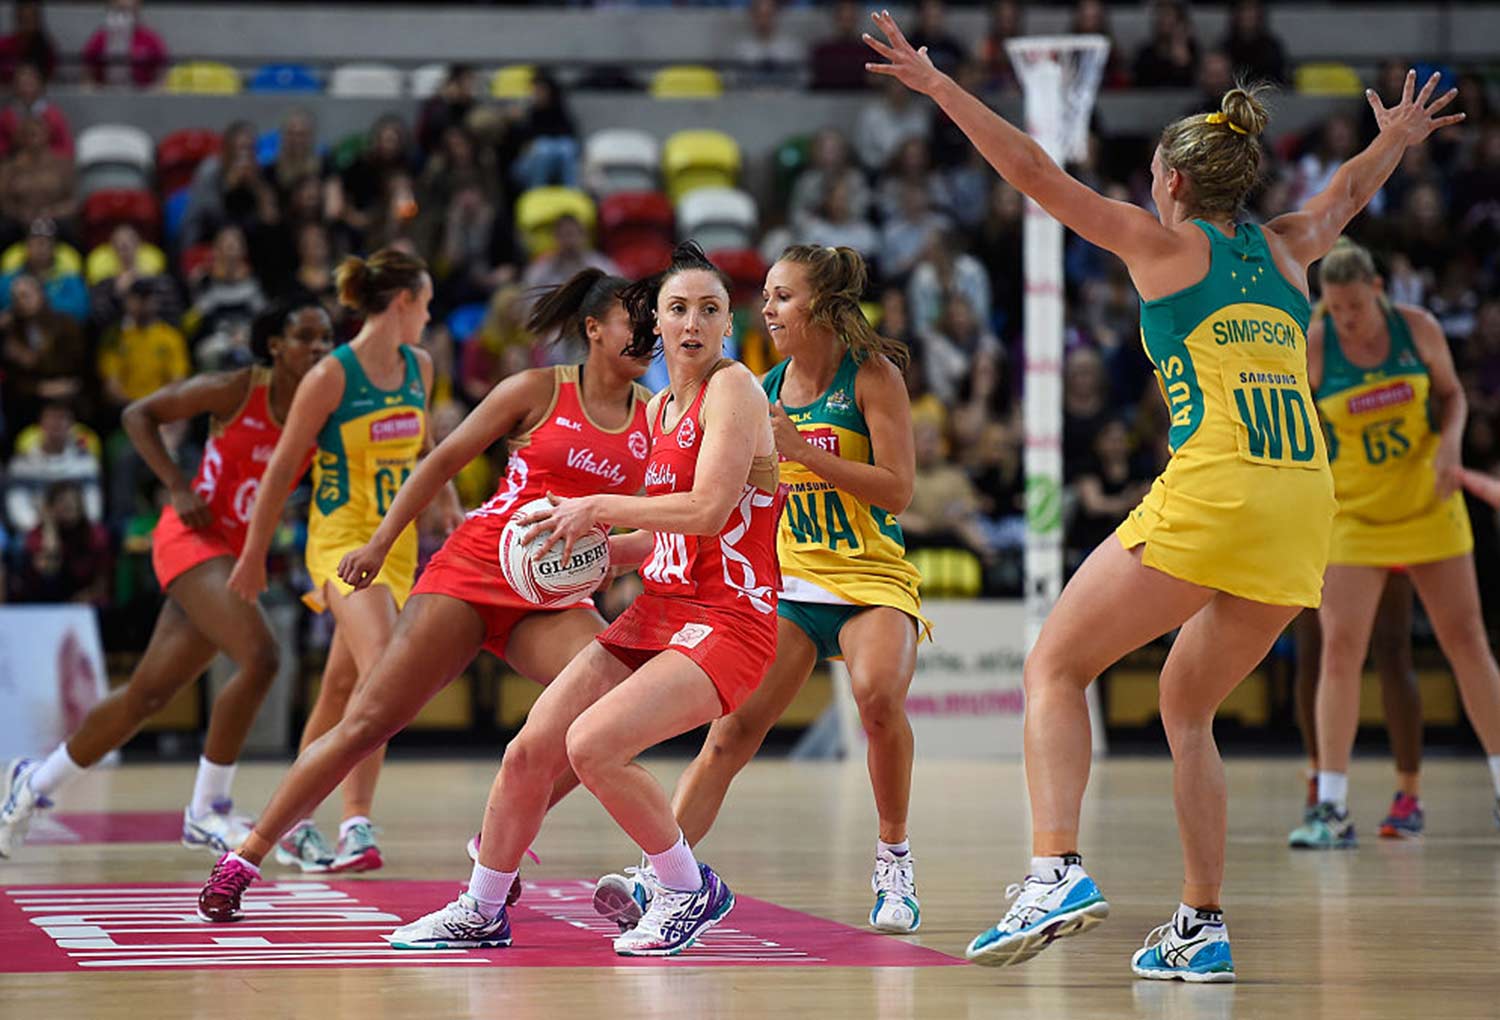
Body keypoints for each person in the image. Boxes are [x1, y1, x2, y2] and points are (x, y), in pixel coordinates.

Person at [865, 10, 1463, 981]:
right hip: (1306, 503)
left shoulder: (1159, 246)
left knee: (1054, 668)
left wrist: (940, 88)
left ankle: (1054, 869)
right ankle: (1200, 925)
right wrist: (1393, 139)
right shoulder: (1288, 248)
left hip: (1220, 486)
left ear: (1174, 182)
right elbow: (1348, 189)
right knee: (1188, 708)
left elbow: (1035, 174)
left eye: (1153, 173)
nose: (1148, 185)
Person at [193, 268, 654, 920]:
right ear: (594, 329)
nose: (649, 334)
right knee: (366, 722)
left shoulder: (656, 420)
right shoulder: (536, 390)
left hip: (551, 598)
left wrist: (618, 557)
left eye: (652, 323)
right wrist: (380, 544)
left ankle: (494, 843)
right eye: (635, 320)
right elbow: (439, 460)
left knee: (604, 719)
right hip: (474, 571)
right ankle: (246, 854)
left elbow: (662, 514)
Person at [383, 242, 779, 957]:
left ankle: (689, 889)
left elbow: (711, 511)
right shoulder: (660, 411)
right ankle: (481, 907)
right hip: (661, 607)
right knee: (529, 751)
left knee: (593, 745)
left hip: (728, 619)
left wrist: (596, 505)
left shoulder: (735, 389)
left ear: (727, 325)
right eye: (679, 308)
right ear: (656, 323)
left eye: (710, 309)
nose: (694, 322)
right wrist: (587, 554)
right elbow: (662, 539)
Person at [595, 245, 927, 935]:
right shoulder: (758, 389)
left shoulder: (872, 377)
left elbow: (899, 491)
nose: (767, 309)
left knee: (878, 700)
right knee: (731, 734)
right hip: (789, 577)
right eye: (767, 296)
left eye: (781, 296)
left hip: (869, 575)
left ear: (823, 306)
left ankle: (893, 861)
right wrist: (626, 550)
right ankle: (660, 873)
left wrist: (804, 452)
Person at [0, 298, 332, 859]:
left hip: (235, 548)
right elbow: (138, 416)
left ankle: (31, 785)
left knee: (147, 695)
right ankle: (208, 810)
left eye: (327, 340)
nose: (320, 349)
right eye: (307, 337)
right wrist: (178, 486)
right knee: (262, 657)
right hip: (192, 536)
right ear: (276, 346)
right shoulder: (236, 388)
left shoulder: (323, 406)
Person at [223, 248, 455, 873]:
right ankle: (356, 823)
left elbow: (428, 450)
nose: (430, 317)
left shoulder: (420, 366)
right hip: (341, 543)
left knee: (344, 686)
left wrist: (452, 507)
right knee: (385, 673)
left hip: (397, 545)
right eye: (427, 305)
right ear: (403, 302)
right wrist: (251, 556)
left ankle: (293, 825)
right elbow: (279, 472)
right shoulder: (332, 375)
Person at [1289, 238, 1500, 849]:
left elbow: (1454, 395)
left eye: (1354, 305)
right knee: (1339, 650)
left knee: (1467, 642)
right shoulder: (1318, 345)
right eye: (1334, 307)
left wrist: (1453, 446)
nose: (1346, 319)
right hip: (1353, 512)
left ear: (1377, 290)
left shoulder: (1419, 330)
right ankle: (1329, 807)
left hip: (1429, 502)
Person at [1289, 574, 1424, 840]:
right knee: (1312, 651)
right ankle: (1322, 784)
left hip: (1384, 536)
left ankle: (1408, 795)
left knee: (1392, 645)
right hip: (1317, 537)